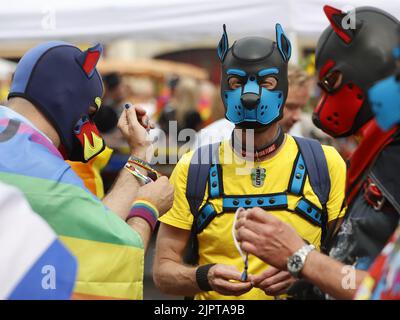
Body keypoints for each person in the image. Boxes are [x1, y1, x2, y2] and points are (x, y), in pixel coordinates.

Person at [153, 24, 346, 300]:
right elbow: (162, 272)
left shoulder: (324, 164)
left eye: (266, 82)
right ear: (224, 87)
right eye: (236, 82)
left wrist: (307, 269)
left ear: (283, 86)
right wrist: (203, 276)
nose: (250, 94)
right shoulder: (194, 167)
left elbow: (352, 264)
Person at [235, 6, 400, 300]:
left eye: (331, 84)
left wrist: (302, 257)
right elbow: (357, 264)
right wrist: (309, 272)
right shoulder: (379, 152)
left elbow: (386, 289)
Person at [0, 41, 174, 299]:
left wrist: (139, 154)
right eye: (89, 113)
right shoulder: (49, 176)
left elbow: (91, 222)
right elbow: (104, 250)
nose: (90, 127)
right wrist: (146, 210)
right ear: (65, 96)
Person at [195, 65, 313, 146]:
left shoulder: (296, 140)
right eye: (290, 107)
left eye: (301, 107)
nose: (297, 117)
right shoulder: (214, 138)